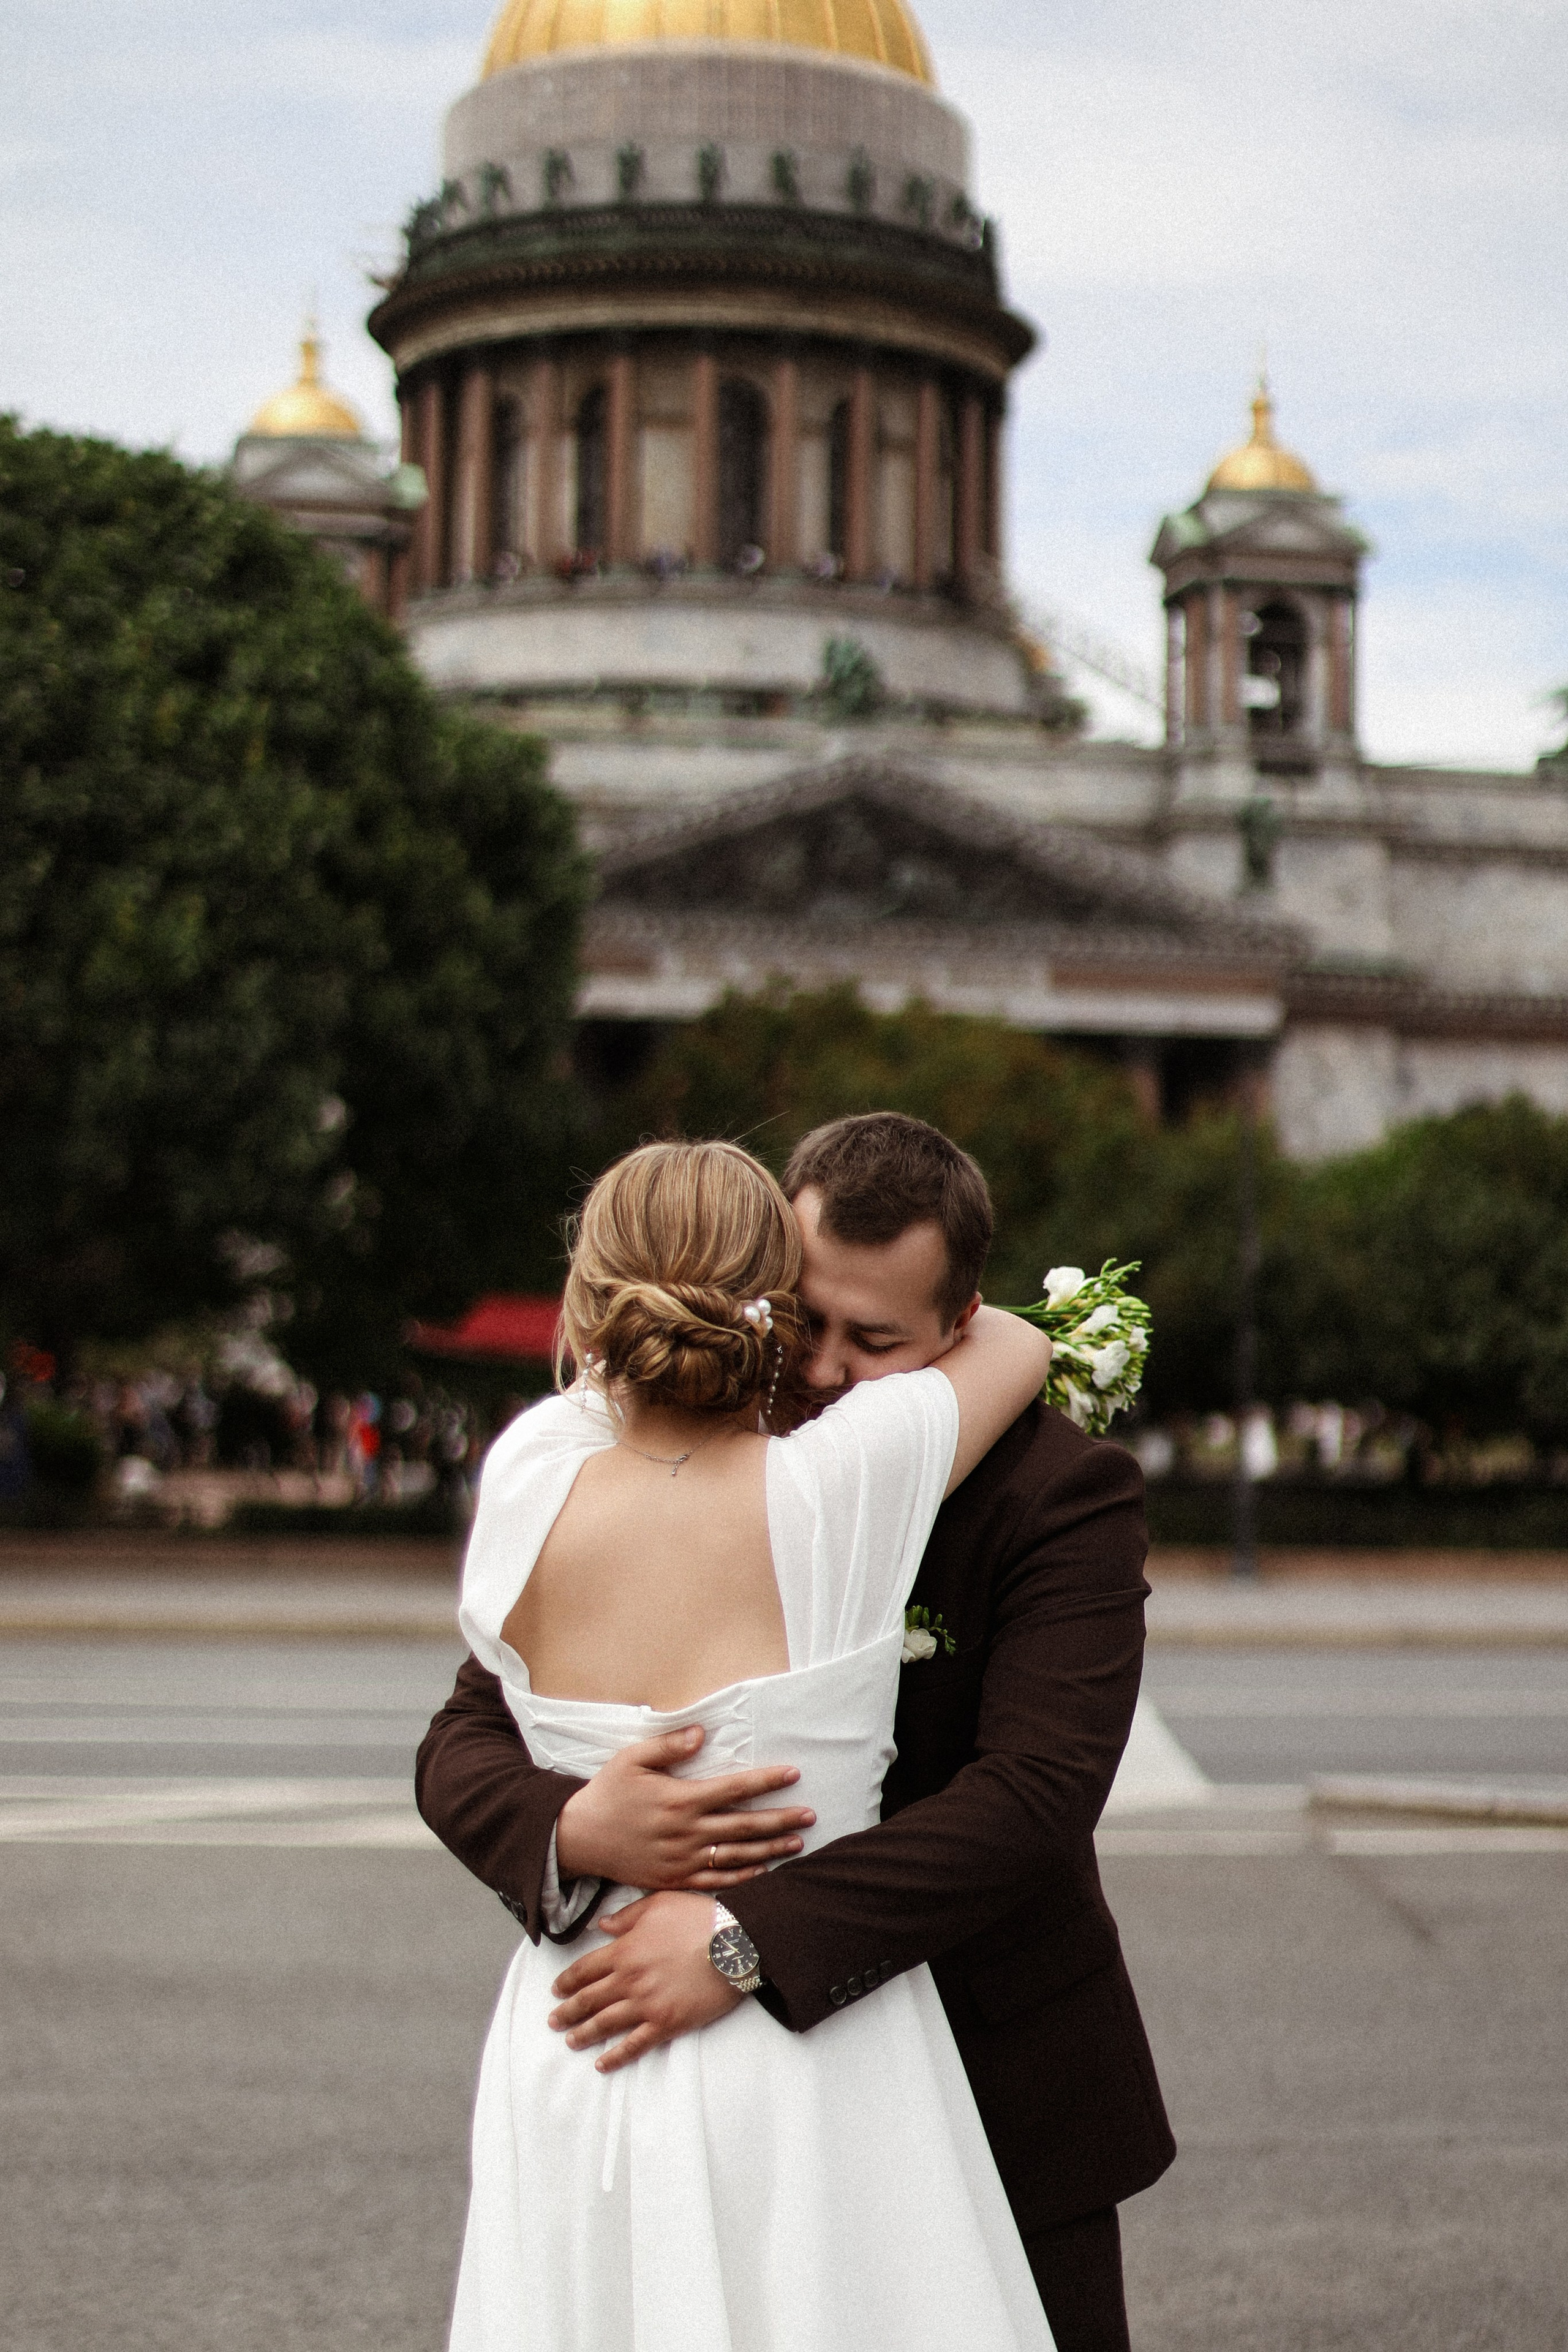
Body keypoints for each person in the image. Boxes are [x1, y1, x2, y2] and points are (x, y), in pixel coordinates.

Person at [419, 1115, 1176, 2352]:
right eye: (799, 1317)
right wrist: (574, 1822)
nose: (818, 1370)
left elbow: (1036, 1795)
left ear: (956, 1317)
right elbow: (464, 1731)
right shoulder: (714, 1446)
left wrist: (740, 1940)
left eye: (871, 1340)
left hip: (988, 2055)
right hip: (663, 2041)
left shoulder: (1055, 1488)